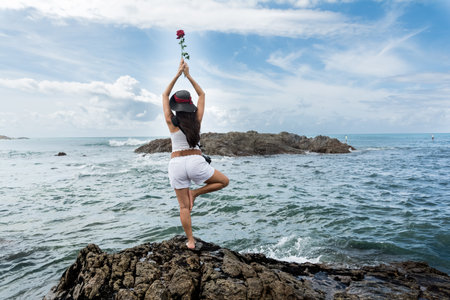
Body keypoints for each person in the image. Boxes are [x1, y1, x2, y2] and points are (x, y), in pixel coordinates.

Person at [162, 59, 229, 250]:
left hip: (175, 164)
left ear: (176, 107)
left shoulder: (170, 121)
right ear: (190, 105)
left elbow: (165, 94)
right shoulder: (197, 119)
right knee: (224, 181)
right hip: (194, 161)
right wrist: (188, 75)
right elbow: (202, 93)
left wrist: (177, 74)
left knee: (184, 207)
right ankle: (196, 192)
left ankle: (190, 241)